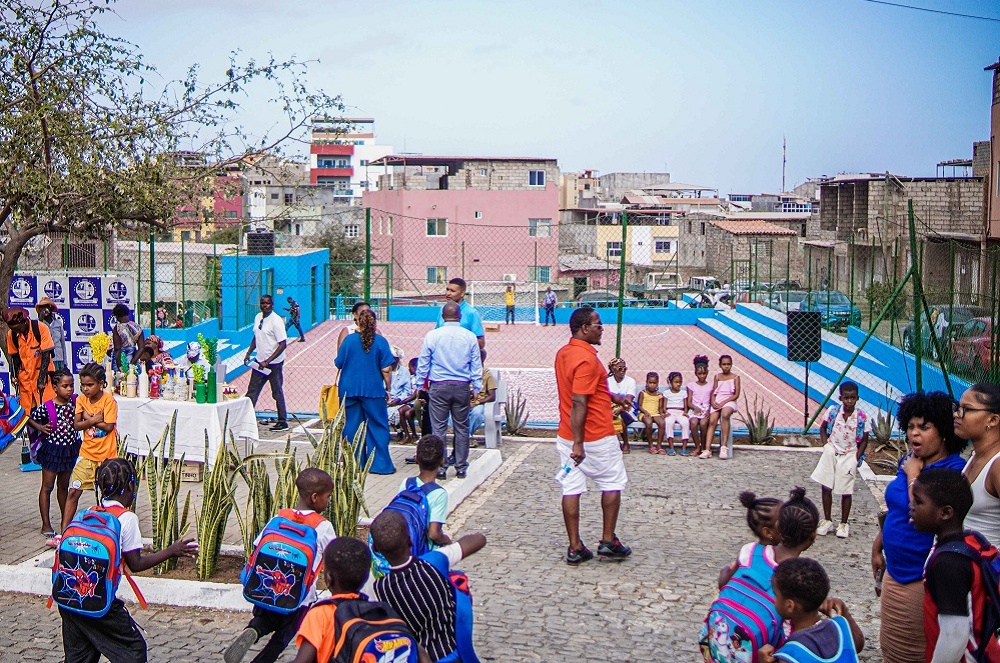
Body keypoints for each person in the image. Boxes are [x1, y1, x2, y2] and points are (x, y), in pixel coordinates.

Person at [58, 457, 197, 663]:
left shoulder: (87, 514)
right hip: (100, 604)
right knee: (134, 650)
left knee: (80, 658)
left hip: (69, 599)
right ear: (130, 486)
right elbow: (136, 564)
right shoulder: (127, 518)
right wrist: (171, 551)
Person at [871, 390, 967, 663]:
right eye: (911, 426)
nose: (915, 433)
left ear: (944, 431)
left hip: (920, 579)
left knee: (914, 653)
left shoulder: (953, 471)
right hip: (894, 573)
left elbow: (920, 512)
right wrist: (878, 546)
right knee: (890, 650)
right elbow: (897, 509)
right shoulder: (909, 461)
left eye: (924, 427)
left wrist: (914, 474)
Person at [225, 468, 336, 663]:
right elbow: (334, 558)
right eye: (327, 497)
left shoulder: (278, 518)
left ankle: (254, 629)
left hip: (266, 589)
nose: (328, 501)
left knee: (266, 620)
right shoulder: (323, 527)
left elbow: (258, 547)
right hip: (299, 598)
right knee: (282, 638)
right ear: (315, 497)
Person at [702, 487, 820, 662]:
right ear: (813, 535)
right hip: (762, 651)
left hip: (718, 637)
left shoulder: (751, 550)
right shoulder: (798, 575)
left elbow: (723, 583)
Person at [555, 307, 631, 565]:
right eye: (598, 325)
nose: (602, 329)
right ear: (584, 328)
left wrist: (614, 396)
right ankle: (608, 541)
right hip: (594, 436)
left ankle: (575, 547)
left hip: (566, 434)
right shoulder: (587, 360)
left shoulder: (564, 353)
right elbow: (580, 401)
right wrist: (579, 444)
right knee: (612, 482)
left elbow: (587, 389)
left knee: (571, 487)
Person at [370, 509, 487, 663]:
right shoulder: (433, 562)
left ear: (376, 549)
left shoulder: (380, 589)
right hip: (455, 654)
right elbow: (479, 539)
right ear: (410, 540)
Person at [291, 537, 431, 663]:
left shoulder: (320, 614)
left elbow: (303, 660)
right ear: (366, 577)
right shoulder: (382, 612)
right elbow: (419, 652)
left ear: (329, 578)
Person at [911, 467, 1000, 663]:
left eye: (918, 502)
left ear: (945, 513)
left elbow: (955, 636)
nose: (911, 507)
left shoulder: (947, 563)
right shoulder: (969, 542)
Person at [416, 301, 482, 481]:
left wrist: (420, 385)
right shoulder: (469, 337)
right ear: (459, 316)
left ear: (443, 316)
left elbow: (424, 362)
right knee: (462, 427)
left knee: (439, 428)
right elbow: (476, 363)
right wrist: (477, 386)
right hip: (461, 385)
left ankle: (441, 466)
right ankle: (461, 466)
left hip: (439, 385)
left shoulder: (432, 336)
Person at [758, 558, 865, 663]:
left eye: (775, 594)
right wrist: (843, 609)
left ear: (790, 606)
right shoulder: (839, 627)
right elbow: (858, 644)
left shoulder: (791, 654)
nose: (774, 599)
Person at [57, 362, 118, 537]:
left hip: (107, 457)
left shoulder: (109, 401)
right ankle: (64, 533)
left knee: (108, 497)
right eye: (83, 385)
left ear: (101, 384)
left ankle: (110, 533)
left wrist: (87, 417)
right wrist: (93, 419)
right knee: (73, 491)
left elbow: (108, 427)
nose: (85, 389)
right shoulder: (81, 400)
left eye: (90, 385)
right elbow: (77, 425)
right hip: (86, 455)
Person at [335, 309, 395, 475]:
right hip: (373, 390)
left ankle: (353, 464)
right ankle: (380, 465)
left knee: (351, 426)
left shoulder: (348, 340)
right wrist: (388, 388)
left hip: (349, 389)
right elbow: (386, 369)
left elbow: (338, 363)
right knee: (377, 426)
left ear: (358, 322)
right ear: (374, 323)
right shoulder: (380, 341)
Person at [811, 381, 871, 539]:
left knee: (846, 489)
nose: (849, 401)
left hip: (850, 454)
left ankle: (843, 523)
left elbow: (865, 440)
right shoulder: (833, 412)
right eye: (846, 398)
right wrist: (826, 446)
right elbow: (823, 428)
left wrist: (856, 457)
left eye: (852, 398)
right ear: (840, 398)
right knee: (826, 485)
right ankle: (827, 520)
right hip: (832, 451)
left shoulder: (862, 417)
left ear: (857, 398)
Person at [26, 368, 79, 538]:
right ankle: (46, 524)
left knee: (63, 486)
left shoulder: (75, 402)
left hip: (69, 450)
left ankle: (66, 522)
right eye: (65, 386)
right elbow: (28, 418)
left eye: (71, 385)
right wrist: (40, 427)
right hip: (52, 451)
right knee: (47, 487)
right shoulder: (47, 406)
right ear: (55, 388)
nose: (69, 389)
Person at [957, 383, 1000, 544]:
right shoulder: (976, 456)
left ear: (993, 420)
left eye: (967, 409)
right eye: (958, 408)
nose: (957, 414)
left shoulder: (997, 464)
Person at [243, 295, 289, 432]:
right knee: (252, 391)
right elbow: (257, 336)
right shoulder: (258, 317)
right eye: (262, 303)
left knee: (277, 392)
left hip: (274, 364)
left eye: (267, 303)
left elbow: (283, 344)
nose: (265, 305)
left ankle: (282, 421)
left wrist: (268, 361)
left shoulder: (276, 321)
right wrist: (249, 352)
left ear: (272, 305)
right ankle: (245, 420)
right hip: (259, 363)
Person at [401, 435, 451, 550]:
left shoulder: (406, 483)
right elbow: (433, 534)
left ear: (416, 459)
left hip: (404, 547)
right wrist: (446, 540)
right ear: (442, 461)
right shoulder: (439, 494)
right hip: (424, 552)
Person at [4, 306, 55, 413]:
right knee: (27, 414)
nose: (16, 331)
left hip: (43, 378)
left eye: (18, 329)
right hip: (25, 381)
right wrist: (13, 375)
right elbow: (14, 357)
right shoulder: (11, 334)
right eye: (13, 329)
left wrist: (41, 380)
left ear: (25, 322)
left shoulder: (41, 328)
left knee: (47, 412)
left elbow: (46, 355)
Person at [706, 355, 741, 460]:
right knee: (712, 420)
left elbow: (736, 394)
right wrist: (713, 402)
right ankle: (707, 449)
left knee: (725, 414)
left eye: (728, 364)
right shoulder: (717, 377)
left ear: (731, 365)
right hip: (718, 401)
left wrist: (724, 402)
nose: (726, 366)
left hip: (729, 401)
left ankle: (724, 447)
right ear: (720, 365)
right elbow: (714, 392)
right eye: (724, 364)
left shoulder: (735, 377)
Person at [436, 278, 485, 350]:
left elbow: (481, 342)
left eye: (452, 291)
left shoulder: (472, 313)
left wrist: (458, 345)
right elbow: (436, 334)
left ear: (462, 293)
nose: (448, 293)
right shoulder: (443, 309)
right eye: (447, 289)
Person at [388, 349, 418, 444]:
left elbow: (407, 391)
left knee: (398, 411)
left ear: (397, 359)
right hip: (386, 399)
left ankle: (403, 433)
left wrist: (399, 399)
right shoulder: (384, 369)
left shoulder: (404, 372)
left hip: (401, 400)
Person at [607, 358, 637, 454]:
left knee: (620, 417)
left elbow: (629, 400)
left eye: (625, 368)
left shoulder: (630, 381)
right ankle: (617, 443)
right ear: (613, 369)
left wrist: (619, 409)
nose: (623, 370)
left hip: (627, 409)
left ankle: (625, 443)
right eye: (620, 368)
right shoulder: (607, 381)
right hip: (610, 408)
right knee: (610, 416)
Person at [468, 348, 497, 440]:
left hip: (479, 403)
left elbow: (492, 396)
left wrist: (477, 402)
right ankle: (466, 436)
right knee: (452, 415)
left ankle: (466, 436)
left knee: (477, 414)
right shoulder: (464, 372)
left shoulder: (486, 374)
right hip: (464, 401)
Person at [689, 356, 714, 458]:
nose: (702, 376)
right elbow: (689, 402)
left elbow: (712, 401)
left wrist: (709, 411)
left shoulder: (711, 386)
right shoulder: (691, 385)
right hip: (695, 410)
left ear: (707, 373)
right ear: (695, 373)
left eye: (704, 373)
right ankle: (697, 447)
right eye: (699, 374)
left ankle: (704, 447)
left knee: (703, 423)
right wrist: (695, 408)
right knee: (693, 422)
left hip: (706, 410)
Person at [637, 372, 666, 454]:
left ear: (657, 383)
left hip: (655, 413)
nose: (652, 385)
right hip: (644, 413)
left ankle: (659, 445)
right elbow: (639, 406)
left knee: (662, 423)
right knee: (648, 422)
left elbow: (660, 408)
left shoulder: (659, 395)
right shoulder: (643, 393)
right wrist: (645, 412)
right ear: (646, 382)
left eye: (654, 383)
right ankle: (651, 445)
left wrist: (662, 414)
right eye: (650, 383)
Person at [35, 297, 67, 371]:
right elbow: (36, 338)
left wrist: (65, 362)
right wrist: (41, 318)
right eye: (42, 308)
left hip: (58, 358)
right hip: (44, 359)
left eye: (46, 307)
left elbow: (62, 343)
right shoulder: (36, 323)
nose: (45, 310)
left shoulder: (58, 323)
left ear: (50, 309)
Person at [663, 371, 691, 456]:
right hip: (670, 411)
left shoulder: (683, 393)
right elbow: (664, 407)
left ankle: (684, 448)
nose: (678, 384)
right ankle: (671, 448)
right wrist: (665, 412)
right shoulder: (666, 393)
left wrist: (685, 412)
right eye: (676, 382)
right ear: (670, 382)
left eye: (680, 382)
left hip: (680, 412)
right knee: (669, 422)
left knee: (685, 423)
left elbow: (685, 406)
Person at [110, 303, 144, 368]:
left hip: (120, 357)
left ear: (118, 316)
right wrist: (132, 362)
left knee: (118, 374)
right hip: (133, 355)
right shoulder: (137, 327)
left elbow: (117, 348)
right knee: (133, 374)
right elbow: (141, 348)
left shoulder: (117, 328)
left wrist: (119, 366)